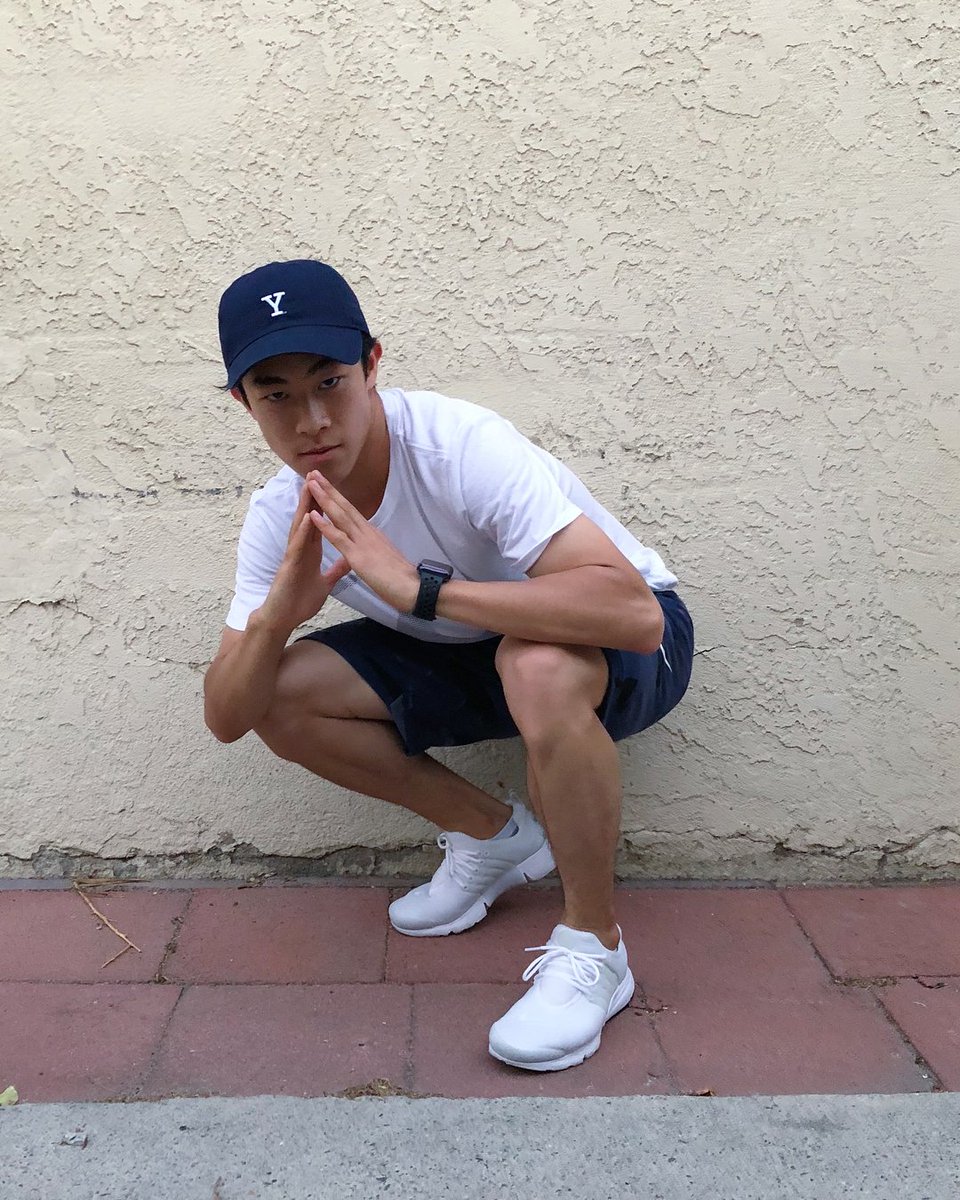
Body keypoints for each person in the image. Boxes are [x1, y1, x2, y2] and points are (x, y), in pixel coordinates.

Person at [204, 259, 694, 1073]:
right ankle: (493, 837)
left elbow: (634, 615)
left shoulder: (458, 447)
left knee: (535, 667)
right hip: (473, 651)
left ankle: (594, 948)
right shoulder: (279, 514)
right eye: (276, 394)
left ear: (372, 365)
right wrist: (277, 621)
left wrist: (422, 590)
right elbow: (227, 716)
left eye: (329, 382)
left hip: (621, 645)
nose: (311, 419)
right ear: (243, 403)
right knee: (278, 691)